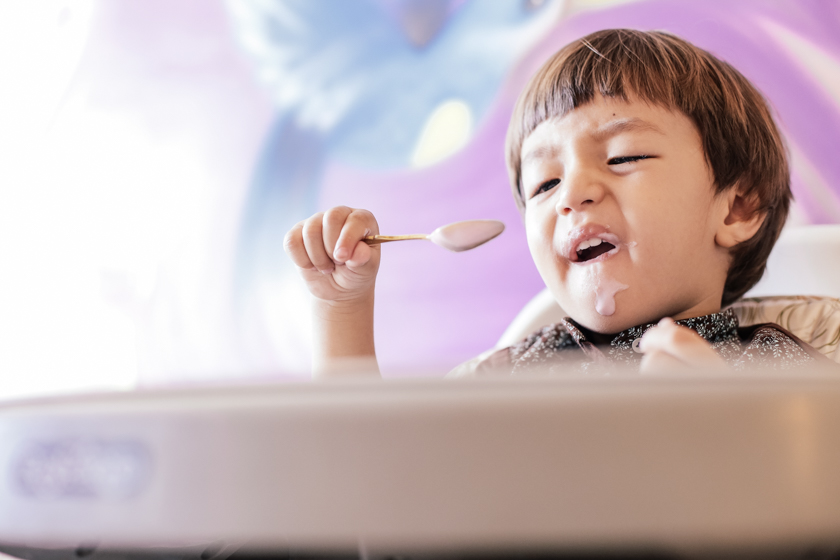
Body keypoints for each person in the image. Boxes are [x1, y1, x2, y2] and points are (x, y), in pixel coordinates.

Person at [283, 29, 832, 378]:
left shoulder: (770, 371)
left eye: (623, 157)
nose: (572, 193)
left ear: (735, 209)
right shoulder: (507, 378)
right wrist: (342, 309)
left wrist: (717, 434)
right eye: (544, 184)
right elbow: (373, 495)